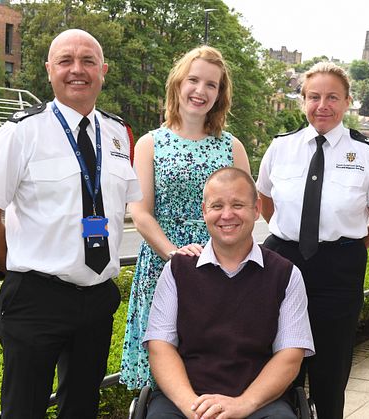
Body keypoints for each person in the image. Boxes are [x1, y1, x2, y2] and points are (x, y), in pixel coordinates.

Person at [0, 29, 141, 418]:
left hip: (96, 299)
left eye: (88, 61)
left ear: (103, 70)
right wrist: (22, 270)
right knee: (24, 410)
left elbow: (124, 206)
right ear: (49, 70)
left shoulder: (117, 133)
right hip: (36, 299)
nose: (77, 70)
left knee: (81, 408)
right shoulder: (21, 131)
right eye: (65, 61)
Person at [256, 61, 369, 419]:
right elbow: (265, 202)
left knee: (330, 375)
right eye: (314, 96)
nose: (323, 105)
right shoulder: (280, 148)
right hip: (283, 266)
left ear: (348, 101)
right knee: (276, 370)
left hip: (338, 271)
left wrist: (348, 250)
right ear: (302, 101)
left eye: (332, 97)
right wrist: (294, 237)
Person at [119, 45, 251, 390]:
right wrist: (174, 254)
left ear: (220, 94)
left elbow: (248, 211)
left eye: (212, 85)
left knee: (216, 371)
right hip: (164, 267)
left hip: (222, 269)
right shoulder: (150, 144)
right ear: (177, 84)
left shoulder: (232, 147)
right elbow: (140, 212)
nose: (201, 91)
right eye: (194, 80)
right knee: (163, 375)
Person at [143, 167, 314, 419]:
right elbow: (160, 346)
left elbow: (290, 355)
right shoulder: (177, 270)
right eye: (216, 206)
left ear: (256, 210)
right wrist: (193, 407)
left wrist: (244, 404)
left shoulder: (286, 274)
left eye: (237, 205)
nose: (226, 215)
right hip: (186, 398)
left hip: (259, 400)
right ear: (204, 211)